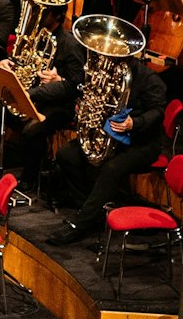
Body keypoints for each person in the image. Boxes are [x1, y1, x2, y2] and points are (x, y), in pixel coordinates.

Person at [45, 50, 167, 245]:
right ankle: (91, 211)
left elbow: (158, 111)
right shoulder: (104, 73)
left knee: (111, 169)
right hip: (110, 136)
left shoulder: (149, 79)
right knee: (66, 154)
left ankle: (81, 223)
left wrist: (134, 123)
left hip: (142, 143)